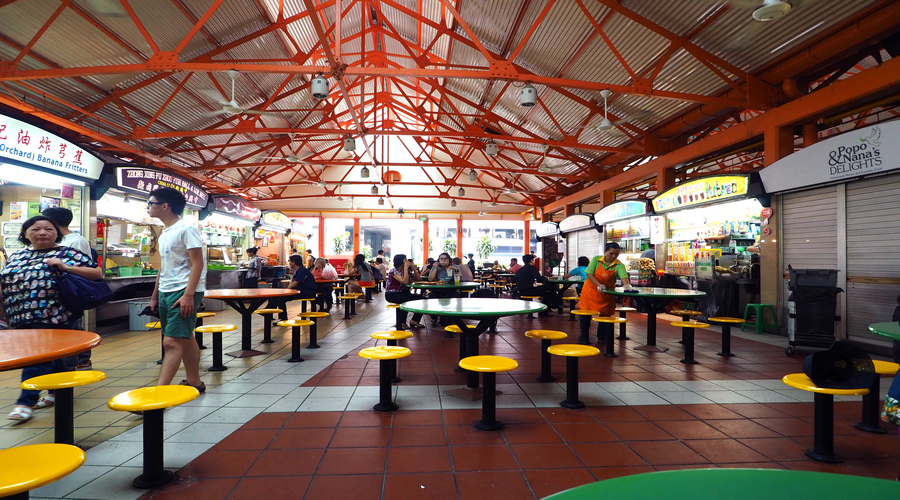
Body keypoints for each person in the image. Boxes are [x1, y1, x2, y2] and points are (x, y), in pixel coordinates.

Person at [1, 215, 101, 422]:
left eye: (48, 228)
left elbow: (97, 273)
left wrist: (66, 267)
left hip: (56, 315)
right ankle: (56, 392)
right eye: (36, 229)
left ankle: (25, 402)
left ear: (57, 233)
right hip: (21, 317)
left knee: (38, 357)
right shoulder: (16, 256)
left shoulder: (67, 254)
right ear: (26, 234)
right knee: (53, 358)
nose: (42, 232)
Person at [146, 188, 207, 396]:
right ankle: (194, 381)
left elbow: (198, 263)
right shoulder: (165, 233)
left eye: (150, 202)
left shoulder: (186, 229)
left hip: (183, 290)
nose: (148, 206)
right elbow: (164, 267)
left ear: (165, 206)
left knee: (171, 341)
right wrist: (155, 296)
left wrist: (189, 294)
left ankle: (158, 395)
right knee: (185, 336)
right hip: (166, 290)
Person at [42, 207, 94, 370]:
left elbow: (86, 267)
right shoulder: (56, 241)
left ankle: (81, 359)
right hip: (55, 293)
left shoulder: (76, 240)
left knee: (72, 327)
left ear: (54, 222)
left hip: (71, 290)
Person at [576, 242, 634, 344]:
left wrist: (627, 285)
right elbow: (589, 273)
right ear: (605, 252)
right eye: (611, 253)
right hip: (590, 291)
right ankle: (584, 336)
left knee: (605, 315)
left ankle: (602, 337)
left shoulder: (619, 265)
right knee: (585, 314)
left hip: (607, 293)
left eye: (616, 254)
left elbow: (623, 276)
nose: (613, 256)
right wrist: (598, 284)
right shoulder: (596, 260)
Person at [384, 254, 424, 329]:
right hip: (392, 294)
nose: (407, 261)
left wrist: (413, 269)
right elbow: (404, 281)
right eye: (405, 260)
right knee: (406, 301)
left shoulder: (408, 271)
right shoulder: (394, 271)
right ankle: (401, 323)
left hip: (404, 293)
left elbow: (419, 280)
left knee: (423, 300)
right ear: (401, 261)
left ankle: (414, 320)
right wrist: (406, 268)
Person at [284, 254, 317, 319]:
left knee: (281, 299)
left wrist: (286, 290)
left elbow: (295, 283)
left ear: (294, 262)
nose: (289, 263)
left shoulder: (302, 270)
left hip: (307, 292)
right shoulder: (298, 270)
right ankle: (268, 311)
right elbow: (293, 280)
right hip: (301, 291)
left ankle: (283, 318)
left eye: (290, 261)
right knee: (277, 298)